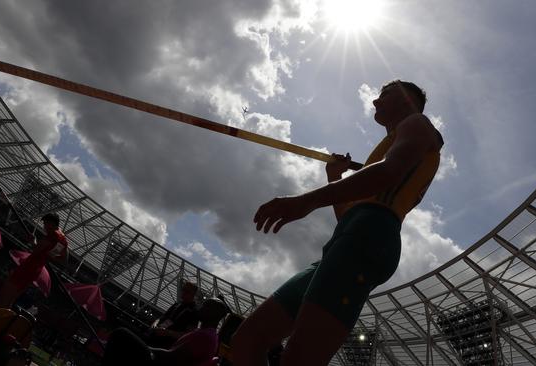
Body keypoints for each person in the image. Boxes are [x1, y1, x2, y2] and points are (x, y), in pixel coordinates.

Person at [232, 80, 444, 366]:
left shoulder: (418, 124)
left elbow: (389, 173)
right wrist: (334, 177)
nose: (375, 101)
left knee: (298, 359)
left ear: (407, 99)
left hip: (371, 234)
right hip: (349, 236)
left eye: (385, 94)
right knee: (248, 339)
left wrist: (305, 201)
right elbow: (348, 215)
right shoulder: (387, 145)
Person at [102, 298, 229, 366]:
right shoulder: (206, 333)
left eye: (206, 306)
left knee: (121, 334)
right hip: (160, 359)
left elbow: (171, 357)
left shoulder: (205, 337)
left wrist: (144, 347)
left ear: (214, 314)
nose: (201, 308)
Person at [0, 213, 68, 308]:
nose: (44, 227)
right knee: (12, 297)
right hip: (36, 271)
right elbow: (64, 260)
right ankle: (1, 319)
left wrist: (33, 241)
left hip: (28, 266)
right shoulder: (63, 239)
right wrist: (47, 255)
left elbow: (36, 249)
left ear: (51, 223)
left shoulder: (53, 235)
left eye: (45, 224)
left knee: (4, 294)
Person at [147, 281, 200, 348]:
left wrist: (167, 332)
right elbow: (162, 317)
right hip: (154, 337)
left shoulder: (194, 312)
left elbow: (187, 335)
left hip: (166, 345)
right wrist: (155, 324)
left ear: (193, 294)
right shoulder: (177, 304)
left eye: (187, 291)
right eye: (183, 289)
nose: (183, 292)